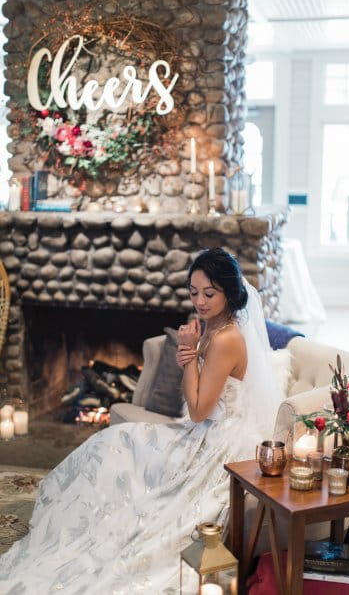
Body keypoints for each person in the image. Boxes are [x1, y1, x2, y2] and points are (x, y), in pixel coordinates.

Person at [0, 248, 282, 593]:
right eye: (194, 293)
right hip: (203, 428)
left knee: (122, 450)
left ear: (230, 291)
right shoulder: (214, 327)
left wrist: (190, 357)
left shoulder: (225, 338)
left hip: (216, 439)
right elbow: (193, 397)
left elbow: (198, 410)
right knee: (114, 443)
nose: (200, 301)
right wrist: (189, 356)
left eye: (210, 293)